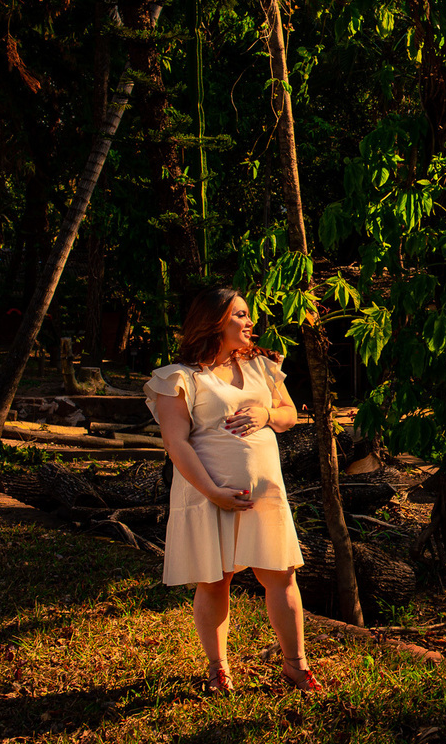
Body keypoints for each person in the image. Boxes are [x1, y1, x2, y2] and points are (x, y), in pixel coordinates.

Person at [144, 287, 320, 695]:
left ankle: (295, 667)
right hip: (208, 494)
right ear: (215, 321)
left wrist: (267, 413)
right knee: (216, 580)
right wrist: (213, 493)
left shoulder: (261, 364)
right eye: (240, 315)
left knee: (281, 574)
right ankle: (218, 668)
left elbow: (290, 415)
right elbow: (177, 444)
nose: (249, 322)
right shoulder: (179, 377)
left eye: (247, 315)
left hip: (265, 493)